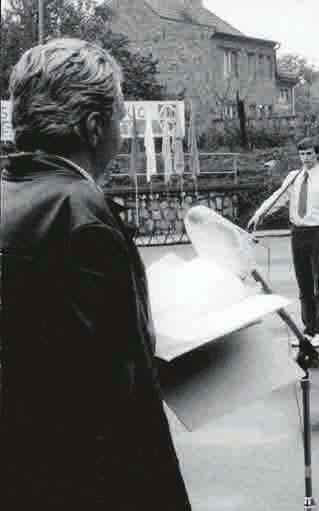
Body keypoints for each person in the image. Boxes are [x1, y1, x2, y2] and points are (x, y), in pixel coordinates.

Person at [0, 38, 190, 510]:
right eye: (119, 121)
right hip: (83, 481)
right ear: (93, 127)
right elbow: (121, 393)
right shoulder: (81, 211)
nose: (121, 136)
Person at [248, 137, 319, 349]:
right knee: (304, 283)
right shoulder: (294, 177)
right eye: (302, 154)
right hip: (298, 233)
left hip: (317, 232)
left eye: (309, 153)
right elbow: (278, 197)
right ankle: (308, 329)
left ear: (317, 154)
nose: (305, 158)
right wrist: (260, 213)